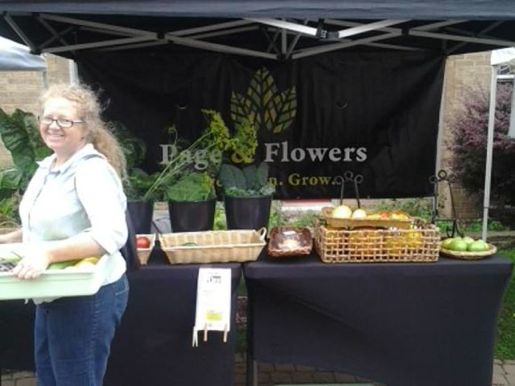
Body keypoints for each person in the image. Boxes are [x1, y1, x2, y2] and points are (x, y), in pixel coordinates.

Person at [0, 83, 129, 386]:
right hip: (53, 292)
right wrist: (9, 239)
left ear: (85, 128)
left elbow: (110, 235)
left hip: (86, 297)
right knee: (51, 378)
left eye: (65, 120)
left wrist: (46, 254)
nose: (53, 126)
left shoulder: (91, 171)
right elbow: (48, 223)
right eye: (47, 118)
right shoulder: (49, 166)